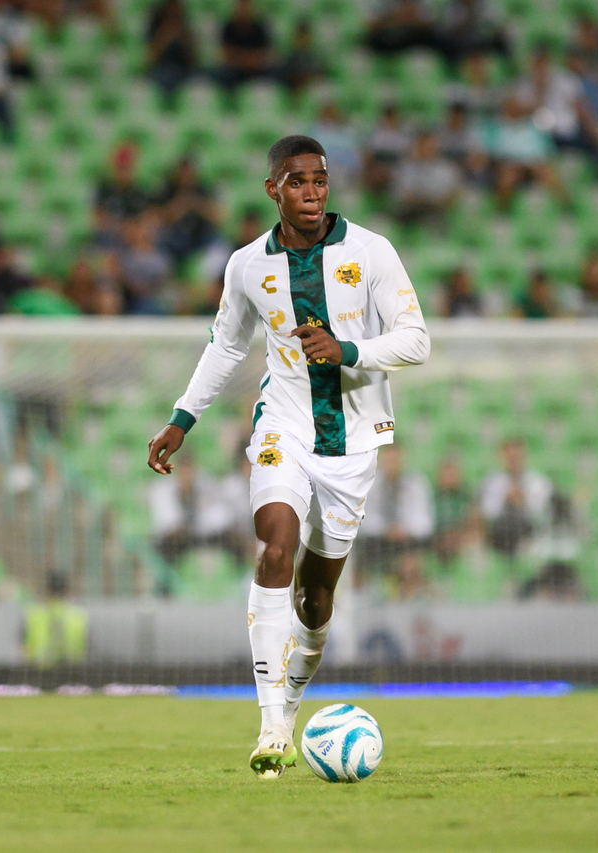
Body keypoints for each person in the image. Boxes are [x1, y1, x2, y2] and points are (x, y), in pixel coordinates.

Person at [146, 135, 429, 778]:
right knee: (275, 546)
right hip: (284, 425)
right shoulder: (247, 264)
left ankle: (293, 703)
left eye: (319, 180)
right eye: (297, 181)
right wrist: (182, 417)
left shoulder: (371, 251)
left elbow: (416, 341)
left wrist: (348, 351)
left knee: (316, 600)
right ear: (273, 188)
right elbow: (225, 345)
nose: (311, 192)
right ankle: (271, 724)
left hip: (354, 443)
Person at [357, 445, 435, 580]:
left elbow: (425, 522)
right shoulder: (369, 485)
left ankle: (409, 582)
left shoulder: (417, 484)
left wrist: (404, 529)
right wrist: (386, 529)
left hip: (408, 540)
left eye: (395, 460)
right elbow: (362, 520)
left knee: (417, 547)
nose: (392, 465)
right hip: (378, 540)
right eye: (389, 460)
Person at [480, 437, 551, 558]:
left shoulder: (537, 482)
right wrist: (505, 499)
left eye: (517, 457)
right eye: (510, 458)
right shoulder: (492, 482)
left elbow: (544, 513)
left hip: (531, 535)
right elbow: (487, 513)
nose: (513, 461)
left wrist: (524, 500)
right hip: (500, 536)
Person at [390, 130, 462, 227]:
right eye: (422, 146)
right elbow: (401, 194)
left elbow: (451, 195)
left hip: (439, 212)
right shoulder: (405, 168)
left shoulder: (447, 169)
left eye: (430, 147)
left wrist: (431, 199)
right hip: (410, 212)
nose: (426, 150)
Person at [217, 0, 273, 91]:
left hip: (255, 69)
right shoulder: (229, 28)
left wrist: (243, 57)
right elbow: (227, 55)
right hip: (235, 69)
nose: (244, 11)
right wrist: (246, 59)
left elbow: (263, 55)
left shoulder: (259, 28)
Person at [146, 0, 197, 95]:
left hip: (183, 69)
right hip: (162, 69)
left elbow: (192, 58)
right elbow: (151, 58)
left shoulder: (184, 28)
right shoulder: (157, 27)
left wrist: (183, 39)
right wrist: (165, 38)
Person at [366, 0, 438, 56]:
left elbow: (431, 23)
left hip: (416, 34)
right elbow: (372, 26)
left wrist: (410, 18)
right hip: (391, 34)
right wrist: (397, 17)